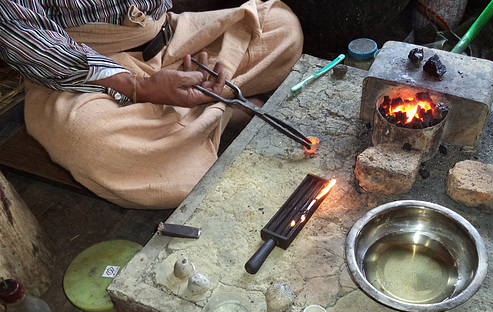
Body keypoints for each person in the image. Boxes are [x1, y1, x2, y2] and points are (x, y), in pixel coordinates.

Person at [0, 0, 303, 209]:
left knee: (281, 28)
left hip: (172, 38)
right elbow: (20, 35)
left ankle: (193, 113)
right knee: (94, 145)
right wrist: (139, 87)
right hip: (86, 69)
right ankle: (223, 110)